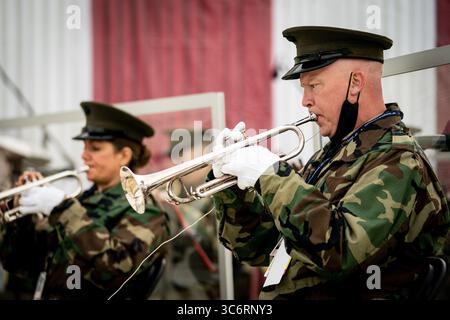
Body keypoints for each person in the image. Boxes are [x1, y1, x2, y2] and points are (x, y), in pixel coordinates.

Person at [210, 26, 450, 299]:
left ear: (355, 83)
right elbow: (257, 247)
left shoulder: (400, 160)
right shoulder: (331, 156)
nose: (305, 101)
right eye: (304, 88)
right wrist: (230, 187)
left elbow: (340, 253)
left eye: (314, 85)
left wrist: (271, 175)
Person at [0, 101, 169, 300]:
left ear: (124, 155)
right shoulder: (80, 203)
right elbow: (21, 264)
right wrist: (21, 215)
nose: (84, 155)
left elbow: (116, 269)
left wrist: (63, 209)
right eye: (84, 147)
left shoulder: (145, 210)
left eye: (95, 148)